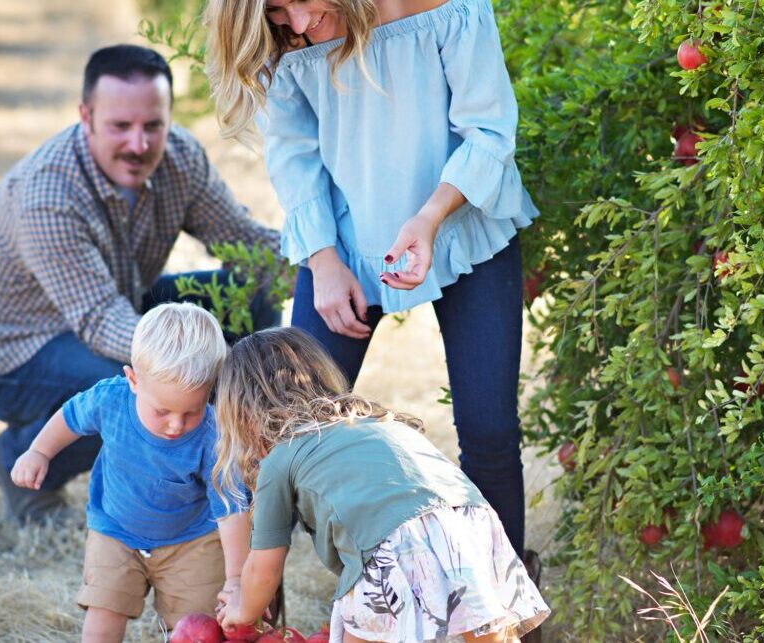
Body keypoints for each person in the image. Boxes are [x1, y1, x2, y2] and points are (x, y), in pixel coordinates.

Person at [203, 0, 537, 562]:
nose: (301, 24)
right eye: (280, 11)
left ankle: (507, 610)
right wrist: (323, 262)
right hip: (342, 244)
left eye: (300, 2)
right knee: (285, 435)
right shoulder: (284, 38)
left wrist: (428, 219)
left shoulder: (449, 10)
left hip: (464, 225)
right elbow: (295, 157)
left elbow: (488, 132)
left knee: (490, 435)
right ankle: (261, 601)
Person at [0, 44, 281, 525]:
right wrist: (209, 371)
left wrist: (323, 262)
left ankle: (236, 458)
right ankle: (17, 454)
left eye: (153, 126)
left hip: (117, 302)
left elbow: (243, 241)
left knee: (252, 295)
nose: (139, 144)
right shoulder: (48, 196)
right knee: (125, 384)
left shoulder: (179, 157)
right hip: (9, 351)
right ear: (86, 116)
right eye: (120, 126)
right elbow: (102, 321)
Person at [212, 327, 548, 643]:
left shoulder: (279, 459)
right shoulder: (374, 421)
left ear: (244, 414)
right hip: (470, 522)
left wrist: (242, 610)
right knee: (489, 634)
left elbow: (264, 569)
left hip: (393, 543)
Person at [10, 303, 250, 643]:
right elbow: (71, 416)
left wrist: (236, 579)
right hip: (116, 532)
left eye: (191, 411)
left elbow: (231, 512)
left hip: (191, 542)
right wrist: (39, 451)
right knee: (104, 609)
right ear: (133, 380)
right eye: (162, 410)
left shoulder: (213, 437)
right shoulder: (111, 399)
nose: (175, 425)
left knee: (196, 626)